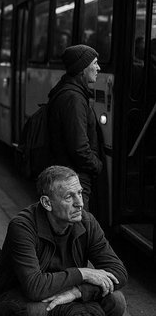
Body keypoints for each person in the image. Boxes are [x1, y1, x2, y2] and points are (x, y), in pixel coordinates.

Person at [0, 166, 127, 316]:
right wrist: (83, 273)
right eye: (69, 197)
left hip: (61, 293)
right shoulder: (23, 226)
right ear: (47, 203)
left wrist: (77, 292)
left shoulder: (86, 221)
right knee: (35, 313)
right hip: (14, 298)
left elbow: (118, 272)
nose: (79, 204)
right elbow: (34, 288)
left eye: (79, 194)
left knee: (116, 300)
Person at [47, 44, 103, 211]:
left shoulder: (71, 93)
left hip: (70, 175)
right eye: (94, 63)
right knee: (77, 230)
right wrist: (97, 166)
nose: (98, 68)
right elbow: (79, 147)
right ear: (82, 69)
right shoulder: (73, 99)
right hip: (75, 179)